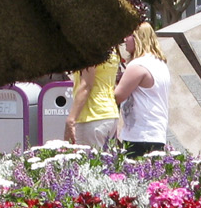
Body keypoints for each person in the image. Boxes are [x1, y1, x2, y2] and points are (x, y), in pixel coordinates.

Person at [114, 22, 171, 156]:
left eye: (129, 35)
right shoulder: (160, 63)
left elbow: (117, 96)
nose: (124, 40)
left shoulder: (138, 65)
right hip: (156, 133)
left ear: (138, 38)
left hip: (139, 135)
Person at [68, 47, 122, 148]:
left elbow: (86, 84)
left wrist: (71, 119)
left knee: (88, 162)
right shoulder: (112, 48)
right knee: (104, 161)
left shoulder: (89, 47)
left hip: (91, 115)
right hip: (109, 114)